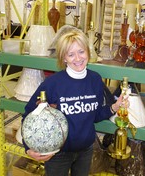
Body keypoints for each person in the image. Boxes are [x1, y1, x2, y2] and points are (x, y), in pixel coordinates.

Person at [22, 28, 127, 176]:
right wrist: (28, 147)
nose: (78, 58)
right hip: (58, 154)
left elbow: (95, 116)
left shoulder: (95, 80)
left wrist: (114, 107)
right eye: (71, 54)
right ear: (64, 58)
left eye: (81, 52)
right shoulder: (53, 84)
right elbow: (28, 115)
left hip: (86, 150)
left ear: (88, 52)